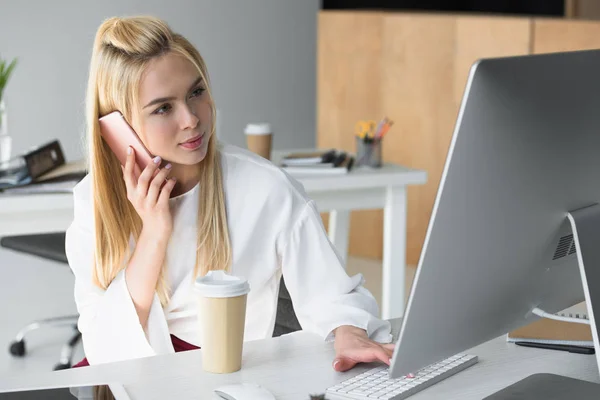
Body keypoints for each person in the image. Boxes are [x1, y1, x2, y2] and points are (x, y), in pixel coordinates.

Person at [66, 15, 394, 372]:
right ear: (118, 127)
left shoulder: (264, 188)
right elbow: (106, 348)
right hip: (122, 379)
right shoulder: (92, 202)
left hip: (219, 378)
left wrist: (348, 330)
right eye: (163, 108)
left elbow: (332, 294)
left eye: (197, 92)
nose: (191, 118)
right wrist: (154, 233)